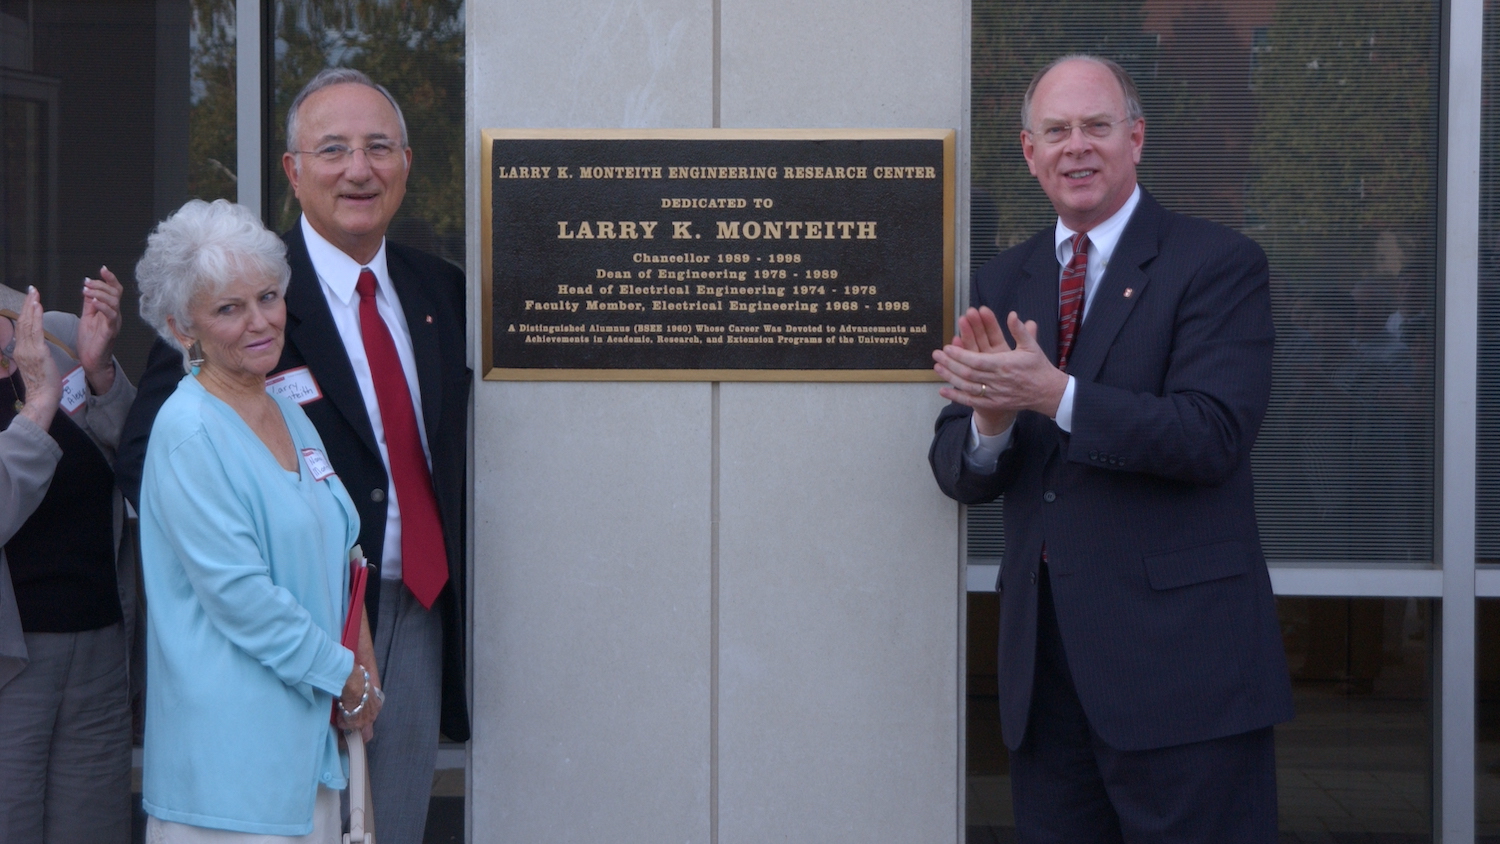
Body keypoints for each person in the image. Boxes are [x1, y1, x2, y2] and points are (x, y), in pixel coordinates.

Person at [929, 54, 1294, 841]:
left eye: (1097, 126)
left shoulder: (1217, 265)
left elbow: (1212, 435)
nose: (1077, 146)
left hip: (1181, 673)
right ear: (1029, 154)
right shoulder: (1001, 278)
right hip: (1047, 677)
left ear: (1136, 138)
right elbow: (960, 468)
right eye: (1056, 131)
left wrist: (1051, 395)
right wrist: (992, 424)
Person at [117, 68, 470, 844]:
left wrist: (353, 647)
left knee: (383, 825)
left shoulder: (441, 289)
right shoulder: (233, 281)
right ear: (293, 170)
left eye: (379, 147)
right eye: (334, 148)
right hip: (274, 654)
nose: (358, 169)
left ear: (407, 161)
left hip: (404, 618)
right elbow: (153, 461)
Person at [135, 198, 380, 840]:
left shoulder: (283, 408)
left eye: (268, 297)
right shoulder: (187, 431)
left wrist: (361, 654)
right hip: (229, 780)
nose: (259, 322)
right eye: (228, 308)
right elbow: (241, 597)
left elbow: (344, 544)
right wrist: (345, 679)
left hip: (306, 758)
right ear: (180, 327)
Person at [0, 274, 136, 844]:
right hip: (12, 662)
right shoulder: (39, 373)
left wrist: (102, 372)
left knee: (95, 828)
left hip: (99, 645)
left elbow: (138, 460)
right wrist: (39, 403)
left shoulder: (53, 335)